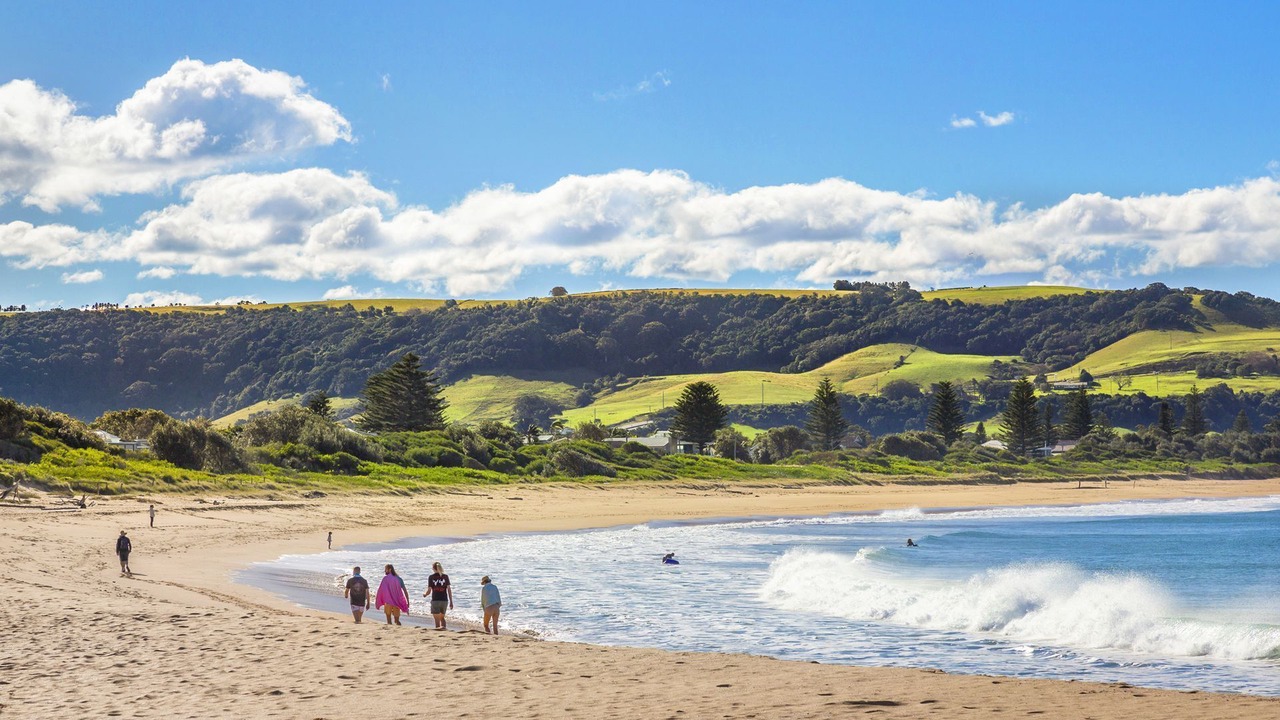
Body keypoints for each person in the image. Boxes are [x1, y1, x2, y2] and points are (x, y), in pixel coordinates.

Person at [424, 562, 453, 630]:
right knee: (442, 618)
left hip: (435, 600)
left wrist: (425, 594)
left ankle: (438, 633)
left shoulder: (431, 577)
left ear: (433, 568)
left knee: (437, 621)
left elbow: (429, 590)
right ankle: (444, 632)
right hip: (444, 600)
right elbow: (449, 590)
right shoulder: (445, 576)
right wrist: (451, 601)